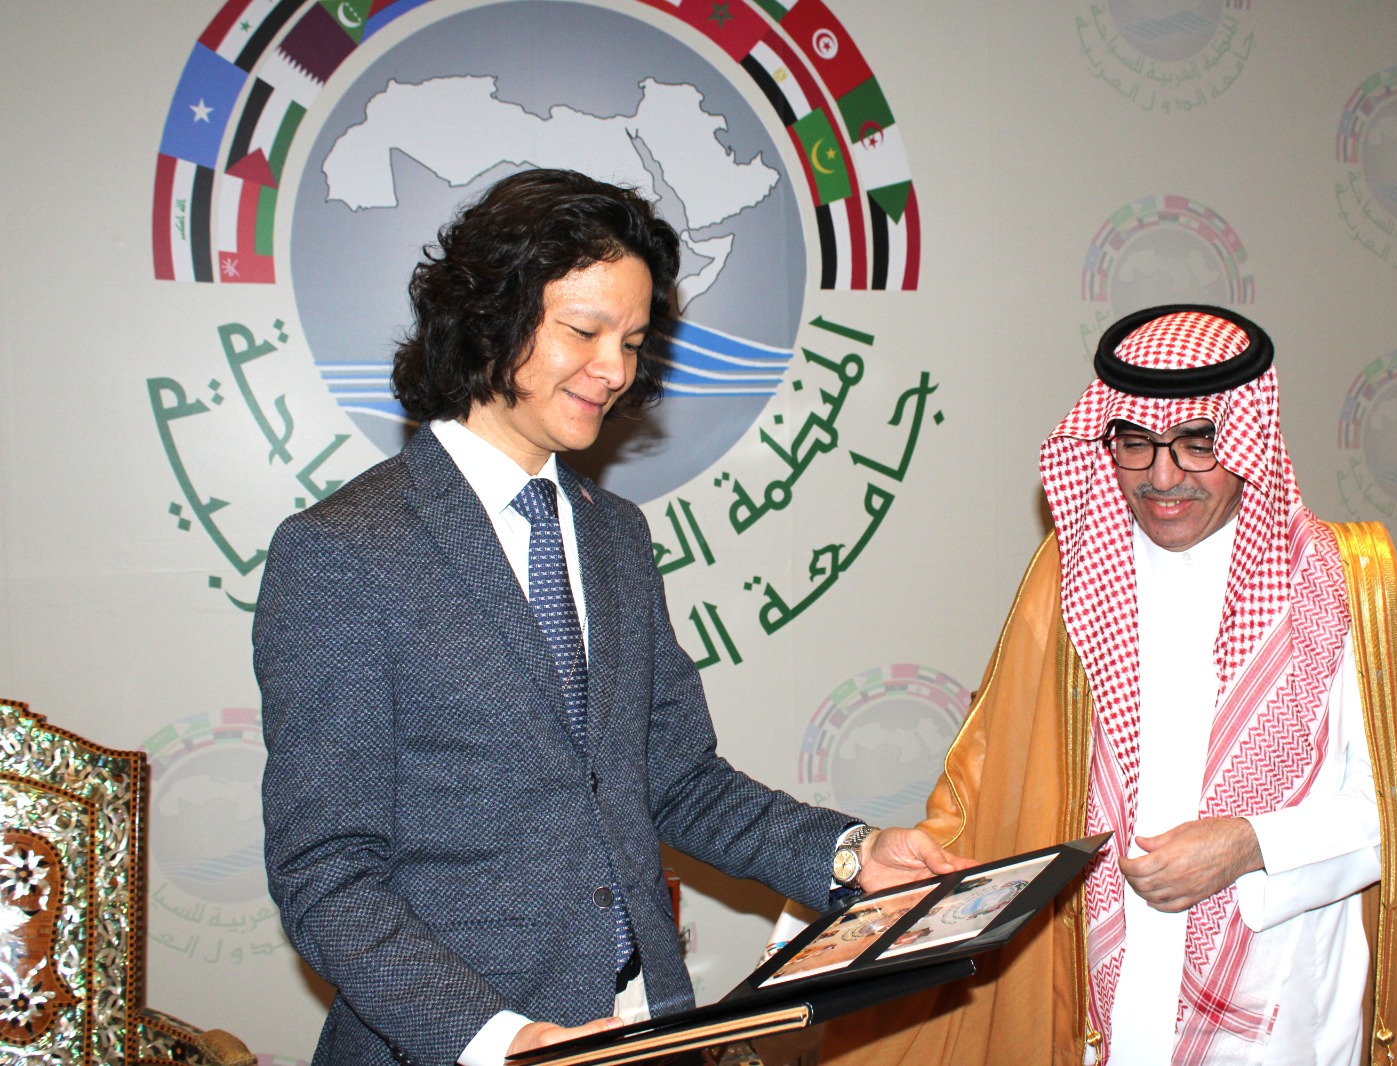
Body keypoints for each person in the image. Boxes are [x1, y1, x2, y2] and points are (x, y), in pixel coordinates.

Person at [255, 168, 964, 1066]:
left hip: (645, 1026)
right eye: (584, 332)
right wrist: (503, 1040)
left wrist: (851, 856)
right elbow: (328, 874)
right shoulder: (343, 551)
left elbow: (676, 779)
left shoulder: (614, 533)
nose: (616, 370)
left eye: (631, 340)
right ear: (488, 319)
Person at [821, 305, 1397, 1064]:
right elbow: (990, 784)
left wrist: (1250, 845)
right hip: (1102, 1005)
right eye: (1135, 443)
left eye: (1199, 444)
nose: (1163, 478)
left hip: (1279, 1019)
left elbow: (1394, 813)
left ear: (1250, 437)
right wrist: (861, 896)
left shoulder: (1344, 581)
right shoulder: (1071, 575)